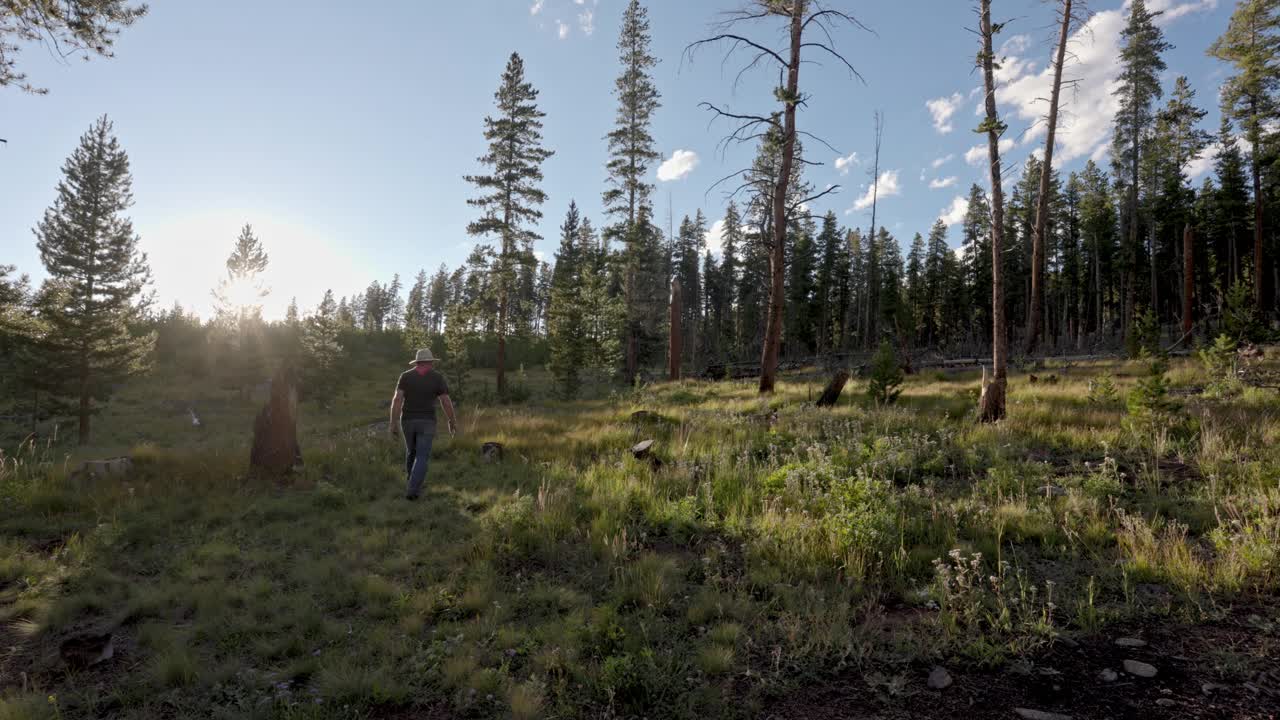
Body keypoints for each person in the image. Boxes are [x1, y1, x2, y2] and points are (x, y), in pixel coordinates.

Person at [389, 348, 457, 500]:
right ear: (431, 362)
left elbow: (397, 399)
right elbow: (445, 400)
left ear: (417, 362)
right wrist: (451, 421)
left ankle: (411, 482)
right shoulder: (437, 377)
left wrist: (392, 423)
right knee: (422, 456)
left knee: (411, 452)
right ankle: (413, 490)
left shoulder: (405, 376)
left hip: (407, 420)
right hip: (427, 421)